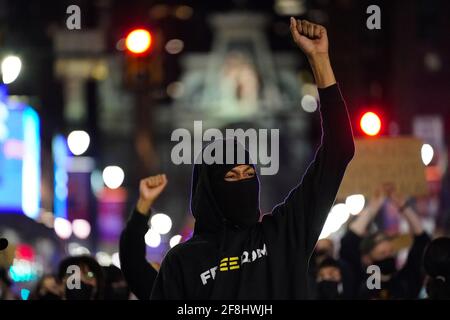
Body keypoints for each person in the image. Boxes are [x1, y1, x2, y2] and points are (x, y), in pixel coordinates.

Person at [120, 18, 355, 299]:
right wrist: (142, 208)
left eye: (248, 174)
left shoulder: (282, 235)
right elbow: (135, 267)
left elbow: (339, 149)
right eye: (231, 177)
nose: (243, 183)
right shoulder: (182, 262)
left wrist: (319, 60)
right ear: (209, 190)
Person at [340, 190, 430, 299]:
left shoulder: (404, 282)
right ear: (367, 258)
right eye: (382, 254)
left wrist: (404, 207)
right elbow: (349, 243)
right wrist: (373, 207)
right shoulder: (360, 284)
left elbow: (422, 241)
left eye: (391, 252)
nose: (389, 256)